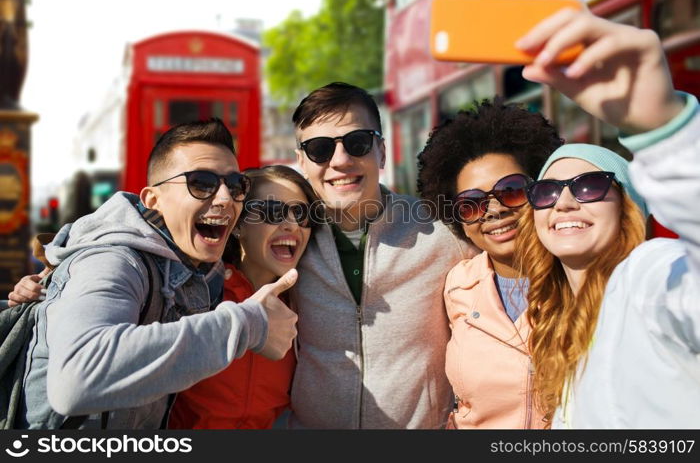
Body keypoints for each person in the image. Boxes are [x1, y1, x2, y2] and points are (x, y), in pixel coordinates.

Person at [11, 119, 298, 429]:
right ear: (152, 200)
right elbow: (76, 379)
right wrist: (249, 325)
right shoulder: (113, 259)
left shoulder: (202, 271)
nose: (226, 198)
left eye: (236, 185)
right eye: (201, 182)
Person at [513, 5, 698, 427]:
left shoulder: (653, 278)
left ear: (627, 206)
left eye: (588, 186)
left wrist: (664, 129)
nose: (563, 204)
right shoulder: (553, 321)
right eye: (546, 191)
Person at [290, 82, 478, 428]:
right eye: (319, 149)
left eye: (357, 142)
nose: (341, 161)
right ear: (301, 161)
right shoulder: (288, 240)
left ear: (381, 151)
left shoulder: (442, 230)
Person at [416, 98, 562, 428]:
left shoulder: (584, 277)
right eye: (471, 203)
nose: (493, 210)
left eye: (511, 190)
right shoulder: (456, 285)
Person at [168, 165, 318, 429]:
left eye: (301, 214)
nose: (292, 224)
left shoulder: (306, 305)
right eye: (273, 212)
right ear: (238, 226)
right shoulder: (196, 294)